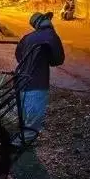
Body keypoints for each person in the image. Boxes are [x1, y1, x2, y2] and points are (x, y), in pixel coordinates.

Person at [13, 12, 65, 146]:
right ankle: (17, 146)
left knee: (24, 115)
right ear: (47, 21)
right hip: (38, 84)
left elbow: (19, 56)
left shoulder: (27, 37)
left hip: (21, 81)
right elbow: (58, 60)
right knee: (33, 122)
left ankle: (20, 140)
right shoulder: (52, 36)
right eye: (49, 19)